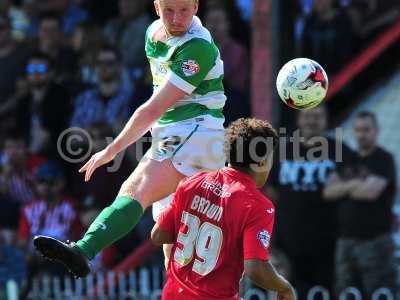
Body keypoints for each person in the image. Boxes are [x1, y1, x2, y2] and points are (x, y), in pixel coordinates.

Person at [34, 0, 226, 278]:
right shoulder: (152, 34)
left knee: (136, 190)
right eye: (169, 10)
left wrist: (111, 150)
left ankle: (83, 250)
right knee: (172, 247)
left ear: (196, 6)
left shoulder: (198, 48)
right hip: (174, 134)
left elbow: (153, 108)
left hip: (198, 133)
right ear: (156, 7)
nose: (176, 18)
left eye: (184, 9)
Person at [151, 118, 295, 300]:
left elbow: (158, 235)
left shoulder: (192, 183)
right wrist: (284, 287)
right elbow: (255, 267)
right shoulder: (258, 206)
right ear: (260, 162)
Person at [265, 105, 355, 298]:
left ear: (325, 120)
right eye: (307, 116)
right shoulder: (282, 149)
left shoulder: (340, 150)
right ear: (299, 119)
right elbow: (271, 190)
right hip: (288, 239)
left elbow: (351, 186)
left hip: (327, 239)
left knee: (324, 291)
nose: (312, 121)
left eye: (317, 116)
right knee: (288, 291)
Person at [323, 111, 398, 298]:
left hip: (374, 241)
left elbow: (369, 193)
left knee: (378, 292)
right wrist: (355, 184)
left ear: (376, 131)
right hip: (345, 241)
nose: (361, 134)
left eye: (366, 129)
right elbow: (328, 192)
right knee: (345, 292)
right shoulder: (348, 158)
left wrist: (344, 186)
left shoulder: (383, 159)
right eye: (357, 130)